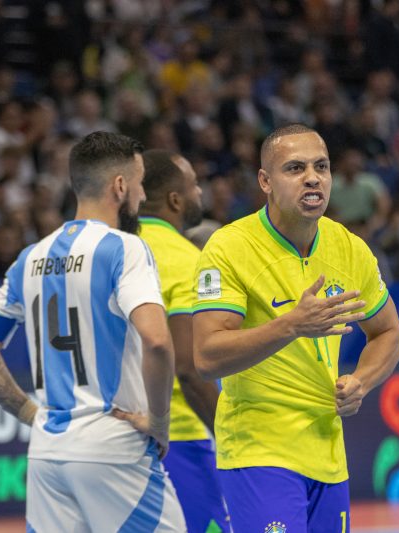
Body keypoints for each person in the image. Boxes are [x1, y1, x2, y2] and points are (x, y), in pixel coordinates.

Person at [0, 132, 185, 532]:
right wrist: (160, 423)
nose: (142, 193)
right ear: (120, 186)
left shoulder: (30, 257)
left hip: (47, 454)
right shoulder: (125, 248)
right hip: (113, 449)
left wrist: (30, 413)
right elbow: (157, 340)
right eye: (139, 181)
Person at [192, 124, 399, 531]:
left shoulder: (350, 248)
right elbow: (206, 356)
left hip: (327, 451)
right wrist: (291, 325)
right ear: (265, 182)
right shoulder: (229, 247)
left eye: (321, 166)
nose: (312, 177)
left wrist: (361, 380)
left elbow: (388, 333)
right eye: (295, 168)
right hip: (259, 449)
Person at [138, 149, 231, 533]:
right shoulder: (188, 260)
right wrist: (231, 435)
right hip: (179, 437)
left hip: (114, 435)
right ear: (175, 200)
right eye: (194, 185)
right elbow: (190, 371)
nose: (200, 193)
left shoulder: (112, 249)